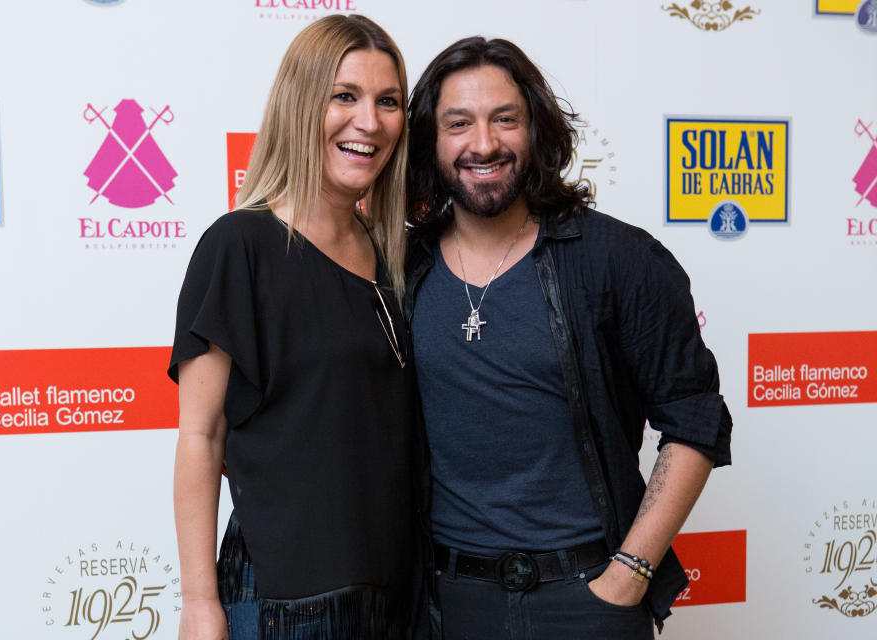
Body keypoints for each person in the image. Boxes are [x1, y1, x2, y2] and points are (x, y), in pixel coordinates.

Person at [403, 37, 733, 639]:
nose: (484, 143)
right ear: (430, 140)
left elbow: (696, 419)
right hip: (444, 606)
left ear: (537, 130)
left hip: (587, 601)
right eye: (459, 123)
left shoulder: (619, 260)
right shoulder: (400, 269)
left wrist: (628, 575)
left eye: (505, 119)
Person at [169, 15, 416, 640]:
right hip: (284, 600)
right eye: (345, 96)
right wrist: (200, 605)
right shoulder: (240, 246)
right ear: (301, 104)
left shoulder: (393, 256)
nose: (370, 121)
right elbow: (201, 437)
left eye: (388, 101)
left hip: (397, 594)